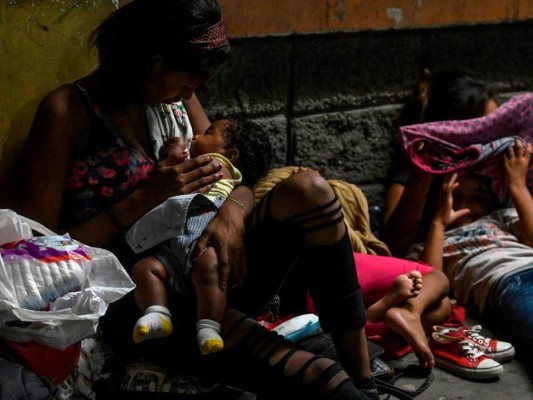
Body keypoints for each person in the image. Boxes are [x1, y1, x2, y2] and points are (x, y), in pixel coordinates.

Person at [12, 1, 378, 398]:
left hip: (205, 273)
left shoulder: (174, 98)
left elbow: (233, 173)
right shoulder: (68, 112)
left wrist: (233, 213)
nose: (191, 96)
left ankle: (364, 377)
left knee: (309, 189)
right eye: (187, 85)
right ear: (153, 63)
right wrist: (143, 199)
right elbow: (34, 256)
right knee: (324, 381)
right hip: (145, 298)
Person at [128, 118, 272, 356]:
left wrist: (174, 151)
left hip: (200, 241)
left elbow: (176, 169)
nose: (196, 136)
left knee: (211, 267)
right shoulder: (213, 165)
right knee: (145, 269)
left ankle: (209, 325)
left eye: (208, 133)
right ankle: (158, 313)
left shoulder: (216, 165)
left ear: (231, 155)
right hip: (171, 247)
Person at [407, 139, 531, 361]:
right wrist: (438, 223)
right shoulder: (430, 244)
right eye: (456, 198)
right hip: (506, 283)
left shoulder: (499, 218)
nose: (466, 206)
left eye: (478, 199)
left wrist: (517, 185)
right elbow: (432, 286)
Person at [382, 70, 499, 257]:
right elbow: (395, 245)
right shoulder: (411, 179)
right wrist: (425, 172)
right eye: (487, 129)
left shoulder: (494, 171)